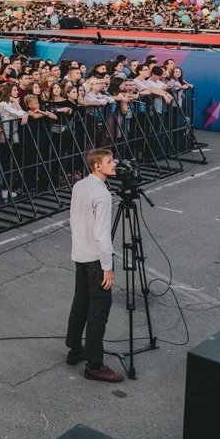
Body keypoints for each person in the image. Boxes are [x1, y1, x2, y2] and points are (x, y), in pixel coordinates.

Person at [64, 148, 123, 383]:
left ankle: (74, 348)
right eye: (109, 161)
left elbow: (74, 219)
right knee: (99, 309)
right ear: (97, 165)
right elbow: (101, 234)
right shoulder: (103, 195)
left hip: (80, 253)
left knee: (81, 301)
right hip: (96, 259)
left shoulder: (80, 186)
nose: (114, 164)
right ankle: (95, 364)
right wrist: (107, 266)